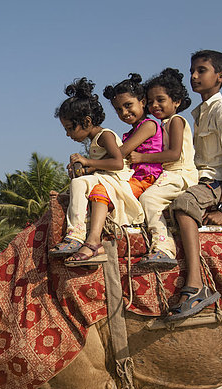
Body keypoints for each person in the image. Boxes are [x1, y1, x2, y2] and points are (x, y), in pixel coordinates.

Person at [166, 50, 222, 321]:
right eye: (192, 71)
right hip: (201, 180)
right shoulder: (199, 113)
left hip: (219, 183)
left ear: (220, 76)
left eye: (201, 70)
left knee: (183, 204)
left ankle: (196, 283)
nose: (194, 76)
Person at [65, 73, 163, 265]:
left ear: (142, 101)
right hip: (135, 177)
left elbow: (120, 155)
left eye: (128, 105)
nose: (124, 113)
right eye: (119, 109)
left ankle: (93, 241)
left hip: (145, 178)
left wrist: (88, 162)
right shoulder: (129, 132)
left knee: (101, 191)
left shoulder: (148, 126)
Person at [50, 77, 143, 262]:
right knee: (79, 181)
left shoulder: (104, 136)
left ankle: (76, 234)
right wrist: (83, 168)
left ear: (86, 121)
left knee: (78, 184)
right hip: (106, 177)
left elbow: (117, 163)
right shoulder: (95, 141)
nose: (68, 134)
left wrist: (87, 162)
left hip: (117, 179)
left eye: (70, 128)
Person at [129, 68, 198, 265]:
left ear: (176, 101)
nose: (154, 105)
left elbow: (174, 154)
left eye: (160, 100)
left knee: (149, 199)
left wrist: (141, 157)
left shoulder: (176, 121)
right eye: (150, 102)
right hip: (169, 174)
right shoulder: (163, 124)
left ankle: (164, 247)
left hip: (180, 173)